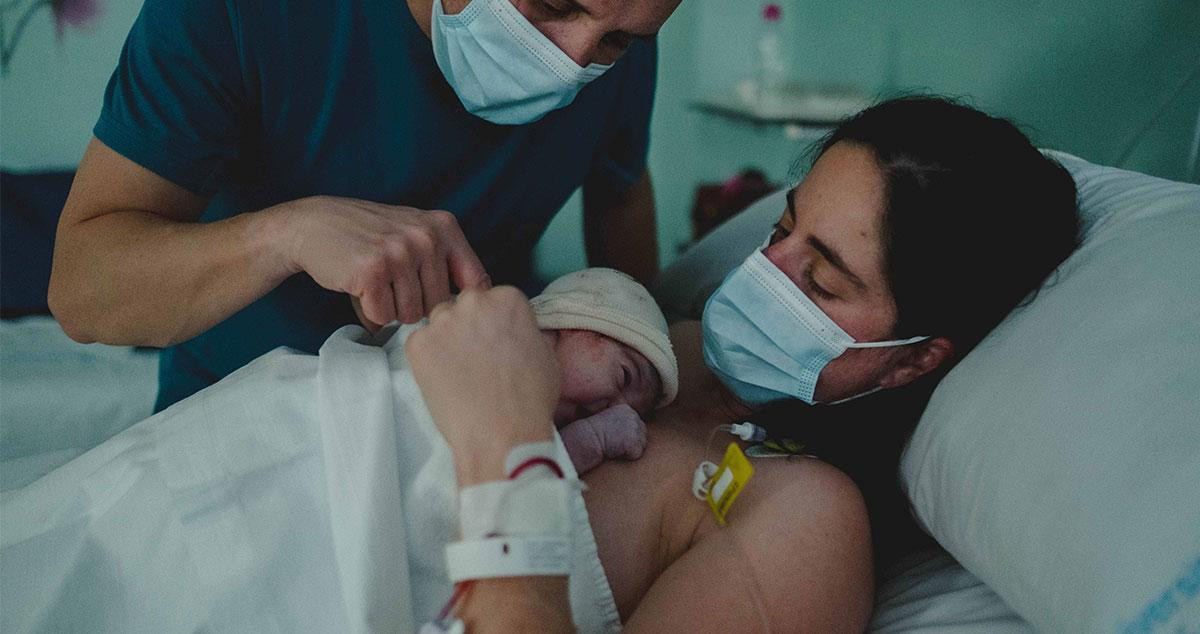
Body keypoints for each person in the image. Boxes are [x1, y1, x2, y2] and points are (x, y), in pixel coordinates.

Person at [46, 0, 680, 413]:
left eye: (618, 41)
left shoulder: (617, 51)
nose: (572, 63)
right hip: (232, 430)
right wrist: (285, 234)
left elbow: (620, 195)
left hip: (464, 429)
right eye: (552, 4)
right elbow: (81, 290)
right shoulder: (239, 15)